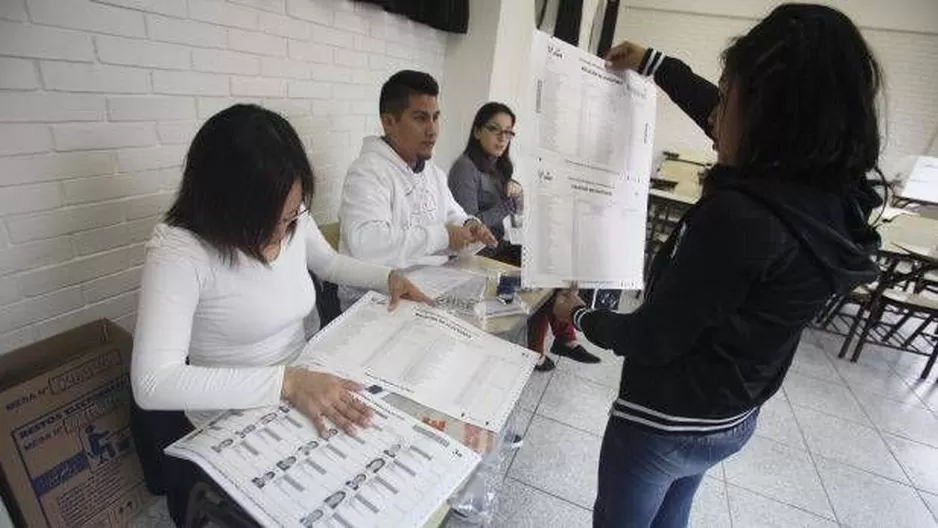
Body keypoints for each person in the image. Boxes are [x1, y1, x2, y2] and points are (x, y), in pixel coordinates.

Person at [552, 4, 883, 526]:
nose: (712, 114)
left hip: (662, 420)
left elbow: (652, 337)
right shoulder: (832, 196)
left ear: (768, 116)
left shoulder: (741, 219)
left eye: (727, 95)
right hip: (731, 414)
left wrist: (580, 314)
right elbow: (727, 118)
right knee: (673, 508)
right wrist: (658, 65)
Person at [131, 104, 431, 526]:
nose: (286, 228)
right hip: (232, 420)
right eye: (275, 217)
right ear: (226, 205)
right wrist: (285, 382)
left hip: (305, 384)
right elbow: (152, 384)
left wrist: (388, 277)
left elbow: (327, 262)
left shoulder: (289, 217)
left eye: (293, 214)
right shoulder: (180, 251)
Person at [448, 102, 600, 371]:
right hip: (476, 255)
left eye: (508, 132)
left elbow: (512, 213)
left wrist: (518, 194)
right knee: (542, 275)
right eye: (495, 130)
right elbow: (469, 227)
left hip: (500, 247)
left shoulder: (497, 167)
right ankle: (552, 345)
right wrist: (509, 204)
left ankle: (556, 342)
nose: (502, 138)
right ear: (476, 131)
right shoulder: (465, 168)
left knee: (552, 267)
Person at [338, 70, 497, 308]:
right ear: (389, 122)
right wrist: (443, 235)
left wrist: (470, 227)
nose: (432, 130)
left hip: (429, 287)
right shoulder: (366, 172)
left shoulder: (432, 172)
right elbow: (367, 244)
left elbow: (453, 215)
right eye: (421, 118)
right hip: (377, 300)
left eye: (436, 117)